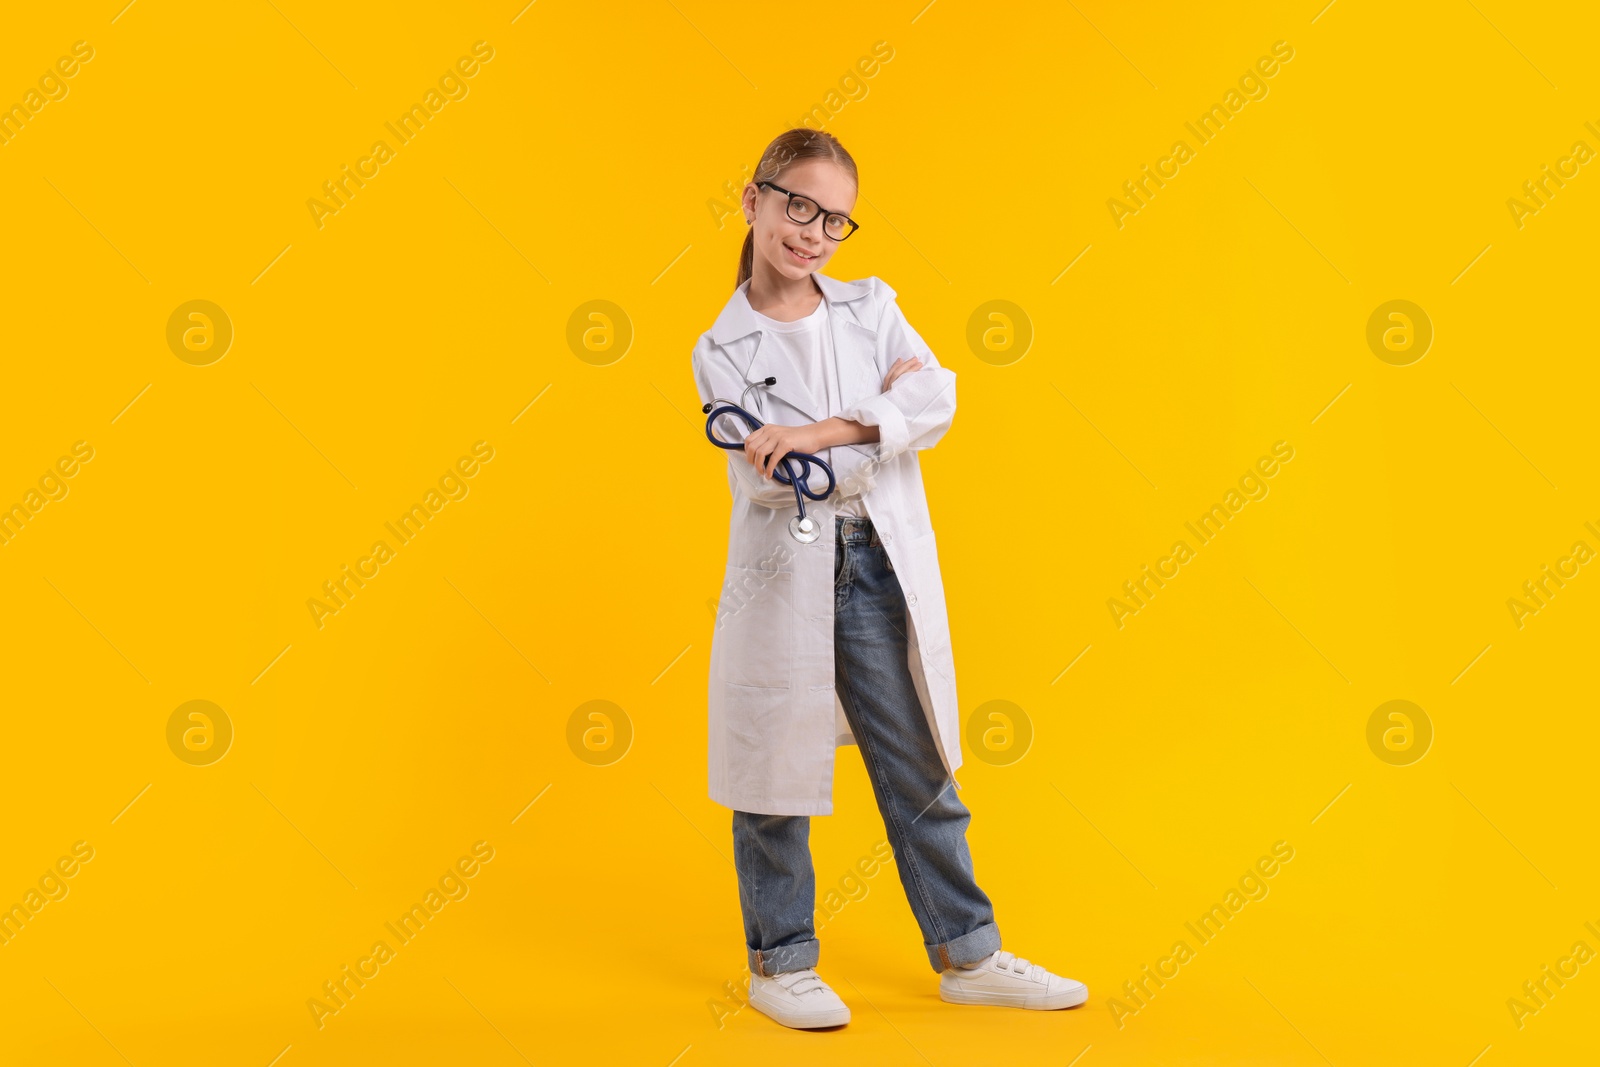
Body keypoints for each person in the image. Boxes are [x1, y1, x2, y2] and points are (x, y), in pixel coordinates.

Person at [691, 128, 1088, 1030]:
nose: (814, 233)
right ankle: (780, 960)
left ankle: (969, 952)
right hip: (783, 574)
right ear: (752, 201)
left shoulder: (870, 305)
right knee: (771, 772)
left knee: (918, 764)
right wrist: (872, 423)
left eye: (835, 218)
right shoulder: (720, 347)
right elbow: (769, 473)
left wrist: (823, 431)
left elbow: (935, 396)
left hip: (871, 561)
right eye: (798, 206)